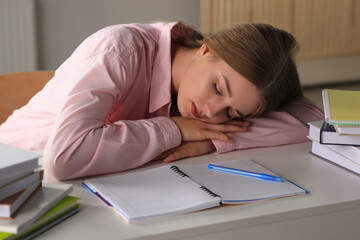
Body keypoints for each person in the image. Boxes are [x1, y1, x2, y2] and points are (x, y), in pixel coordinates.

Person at [0, 21, 323, 180]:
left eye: (232, 112)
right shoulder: (120, 51)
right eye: (218, 88)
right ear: (207, 50)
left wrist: (214, 142)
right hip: (17, 180)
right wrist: (174, 130)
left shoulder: (206, 105)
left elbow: (312, 120)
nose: (211, 112)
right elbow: (64, 158)